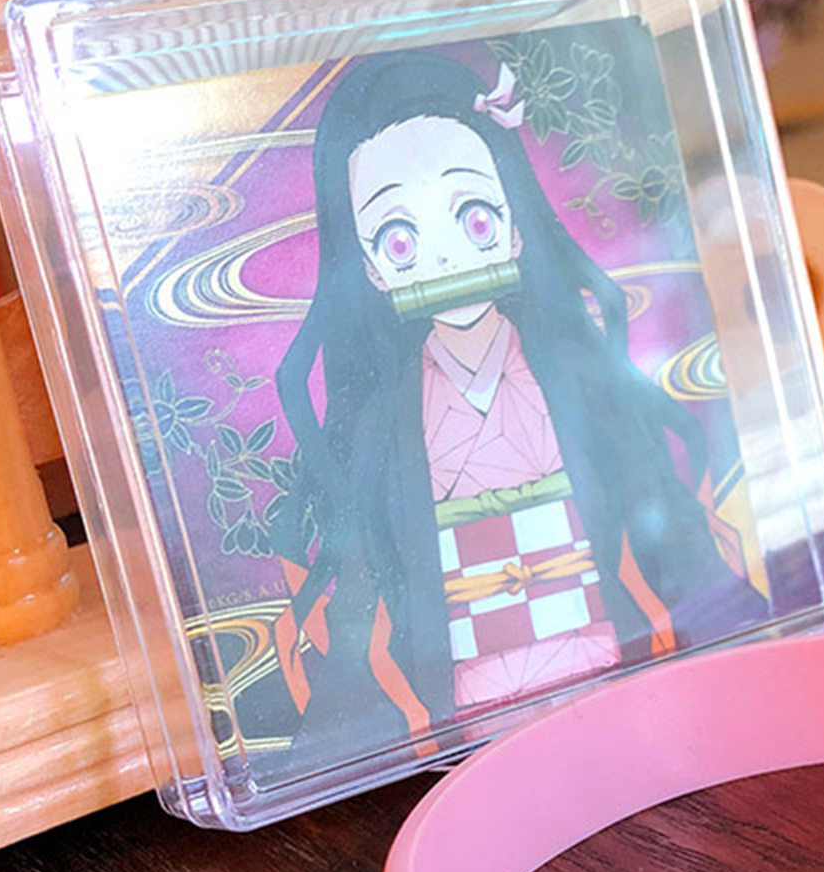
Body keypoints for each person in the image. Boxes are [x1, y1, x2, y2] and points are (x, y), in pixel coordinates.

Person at [271, 47, 760, 756]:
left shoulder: (577, 375)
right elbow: (363, 595)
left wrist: (741, 644)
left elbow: (665, 529)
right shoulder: (381, 423)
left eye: (473, 219)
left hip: (608, 669)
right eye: (400, 240)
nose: (445, 260)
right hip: (472, 712)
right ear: (371, 267)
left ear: (514, 226)